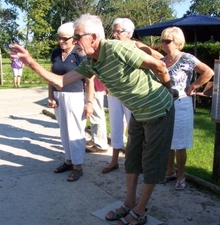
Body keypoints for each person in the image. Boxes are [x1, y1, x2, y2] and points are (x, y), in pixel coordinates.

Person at [11, 13, 174, 225]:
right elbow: (61, 81)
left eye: (77, 37)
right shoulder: (91, 62)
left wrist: (169, 92)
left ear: (94, 37)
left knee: (151, 163)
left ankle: (140, 210)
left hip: (159, 110)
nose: (74, 42)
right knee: (132, 159)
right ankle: (128, 202)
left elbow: (160, 66)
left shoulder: (118, 48)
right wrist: (31, 62)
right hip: (138, 113)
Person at [101, 17, 164, 174]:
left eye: (118, 31)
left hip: (133, 95)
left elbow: (161, 59)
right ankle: (114, 160)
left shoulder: (137, 46)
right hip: (115, 94)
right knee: (115, 126)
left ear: (128, 33)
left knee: (135, 129)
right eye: (113, 31)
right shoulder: (110, 47)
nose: (114, 34)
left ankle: (138, 162)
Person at [159, 26, 214, 190]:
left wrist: (194, 86)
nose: (163, 44)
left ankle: (181, 175)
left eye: (167, 41)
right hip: (165, 105)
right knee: (167, 141)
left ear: (177, 42)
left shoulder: (187, 59)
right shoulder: (162, 61)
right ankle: (170, 171)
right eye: (162, 40)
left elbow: (208, 72)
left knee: (180, 143)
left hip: (182, 104)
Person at [48, 22, 94, 182]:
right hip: (59, 97)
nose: (61, 42)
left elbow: (90, 81)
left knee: (75, 132)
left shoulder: (79, 55)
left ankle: (77, 166)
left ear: (73, 39)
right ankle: (68, 161)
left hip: (75, 97)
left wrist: (89, 102)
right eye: (59, 39)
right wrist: (51, 95)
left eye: (65, 39)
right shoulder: (55, 53)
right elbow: (51, 77)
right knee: (64, 131)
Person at [85, 76, 109, 153]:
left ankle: (101, 144)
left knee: (97, 115)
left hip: (95, 86)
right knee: (95, 115)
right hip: (94, 84)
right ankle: (95, 138)